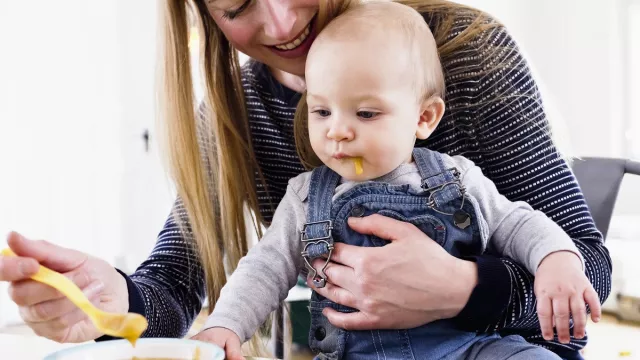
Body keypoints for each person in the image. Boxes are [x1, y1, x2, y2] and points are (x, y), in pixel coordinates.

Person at [0, 0, 610, 359]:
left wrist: (462, 289)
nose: (283, 20)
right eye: (236, 5)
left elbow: (588, 269)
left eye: (368, 113)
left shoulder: (461, 56)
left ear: (425, 115)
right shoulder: (238, 116)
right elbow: (181, 282)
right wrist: (117, 304)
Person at [197, 2, 600, 359]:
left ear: (424, 118)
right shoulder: (304, 197)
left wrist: (556, 260)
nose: (337, 131)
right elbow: (264, 269)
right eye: (321, 112)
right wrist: (226, 323)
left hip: (469, 347)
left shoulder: (455, 177)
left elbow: (519, 223)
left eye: (366, 114)